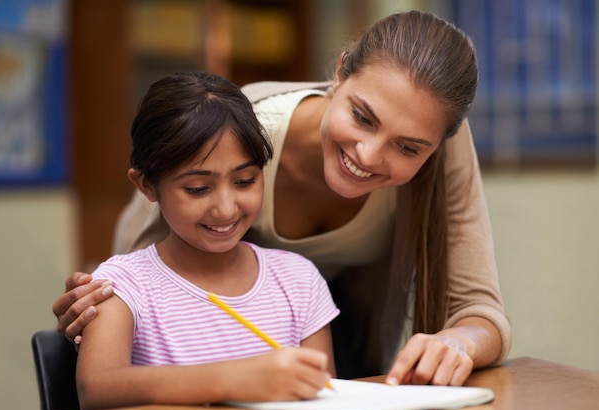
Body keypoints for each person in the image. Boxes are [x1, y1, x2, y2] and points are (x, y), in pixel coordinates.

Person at [56, 10, 511, 386]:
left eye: (408, 147)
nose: (369, 155)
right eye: (362, 116)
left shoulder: (438, 148)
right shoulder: (238, 134)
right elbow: (141, 278)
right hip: (203, 359)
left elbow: (479, 309)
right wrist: (102, 307)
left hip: (331, 346)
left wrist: (461, 341)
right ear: (339, 72)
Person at [76, 71, 338, 410]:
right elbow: (96, 389)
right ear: (147, 186)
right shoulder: (123, 285)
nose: (226, 208)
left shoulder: (298, 281)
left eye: (245, 181)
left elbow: (325, 401)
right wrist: (234, 379)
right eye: (198, 189)